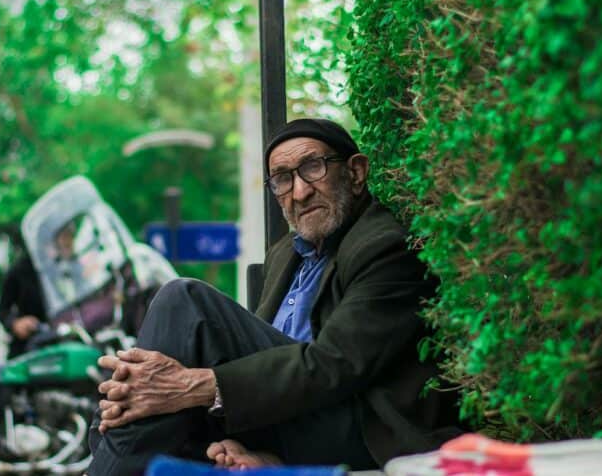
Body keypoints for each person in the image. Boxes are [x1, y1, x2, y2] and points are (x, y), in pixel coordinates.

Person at [87, 119, 461, 475]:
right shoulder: (284, 254)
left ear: (356, 172)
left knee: (184, 302)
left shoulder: (385, 246)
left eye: (313, 167)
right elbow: (266, 363)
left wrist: (194, 386)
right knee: (133, 384)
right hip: (290, 414)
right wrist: (244, 444)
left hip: (362, 429)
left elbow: (334, 366)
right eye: (283, 179)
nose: (300, 191)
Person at [0, 242, 48, 359]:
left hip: (62, 339)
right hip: (29, 345)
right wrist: (16, 323)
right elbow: (2, 310)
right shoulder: (20, 270)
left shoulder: (64, 267)